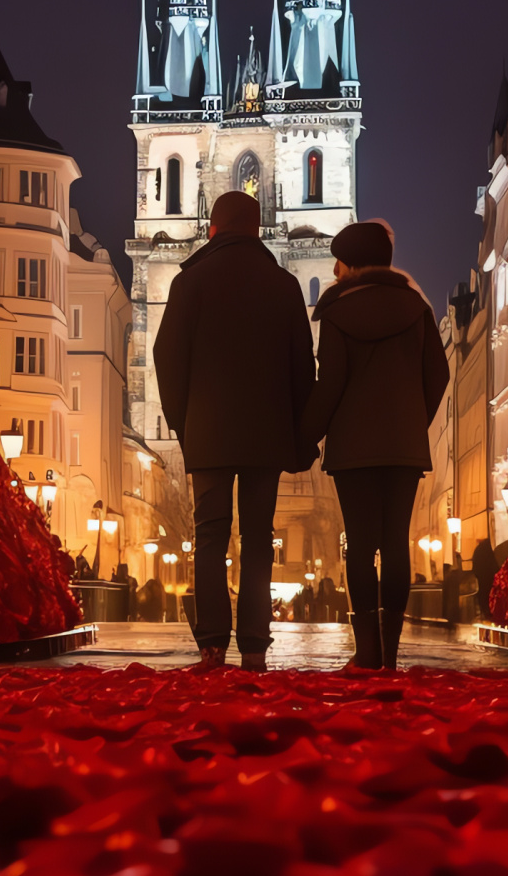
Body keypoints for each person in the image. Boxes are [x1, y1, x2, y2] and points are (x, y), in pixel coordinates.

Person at [154, 189, 316, 674]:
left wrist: (183, 421)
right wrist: (297, 433)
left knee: (210, 536)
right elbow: (301, 368)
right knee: (259, 539)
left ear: (212, 229)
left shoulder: (190, 282)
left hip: (207, 431)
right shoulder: (284, 285)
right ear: (258, 226)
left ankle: (210, 645)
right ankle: (254, 647)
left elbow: (166, 357)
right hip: (266, 435)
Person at [300, 220, 451, 670]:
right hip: (403, 448)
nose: (334, 270)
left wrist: (306, 437)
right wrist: (411, 421)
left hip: (353, 448)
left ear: (350, 264)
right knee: (395, 543)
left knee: (361, 547)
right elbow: (438, 376)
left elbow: (330, 384)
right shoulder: (416, 308)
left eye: (338, 262)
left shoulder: (338, 312)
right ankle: (392, 653)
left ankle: (366, 652)